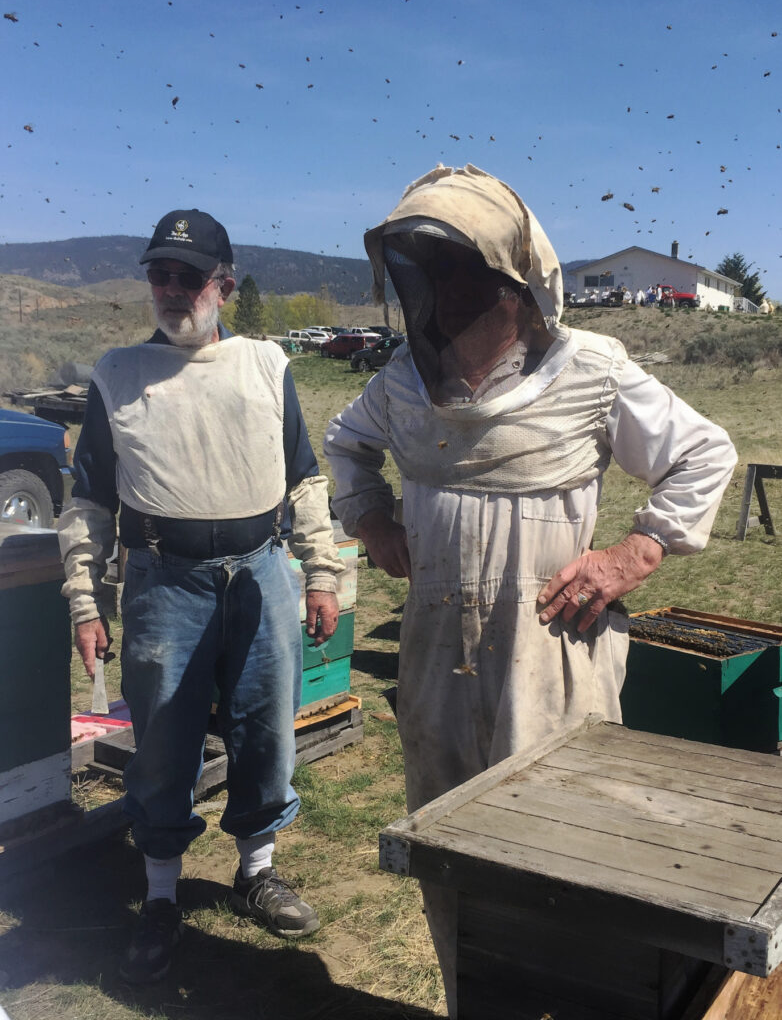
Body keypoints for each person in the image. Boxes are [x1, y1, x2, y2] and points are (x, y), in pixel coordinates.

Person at [322, 164, 736, 1016]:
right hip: (436, 665)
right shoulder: (403, 380)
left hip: (552, 662)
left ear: (516, 283)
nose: (445, 293)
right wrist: (370, 520)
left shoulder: (592, 372)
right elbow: (344, 443)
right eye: (429, 273)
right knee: (453, 855)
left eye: (463, 271)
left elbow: (704, 453)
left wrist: (632, 555)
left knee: (566, 858)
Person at [58, 209, 343, 983]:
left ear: (223, 283)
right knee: (161, 744)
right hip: (161, 581)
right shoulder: (117, 375)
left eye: (190, 276)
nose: (173, 289)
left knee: (264, 730)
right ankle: (159, 897)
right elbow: (87, 502)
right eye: (160, 274)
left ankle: (256, 872)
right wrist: (84, 601)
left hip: (259, 571)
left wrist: (321, 572)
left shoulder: (265, 363)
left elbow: (304, 478)